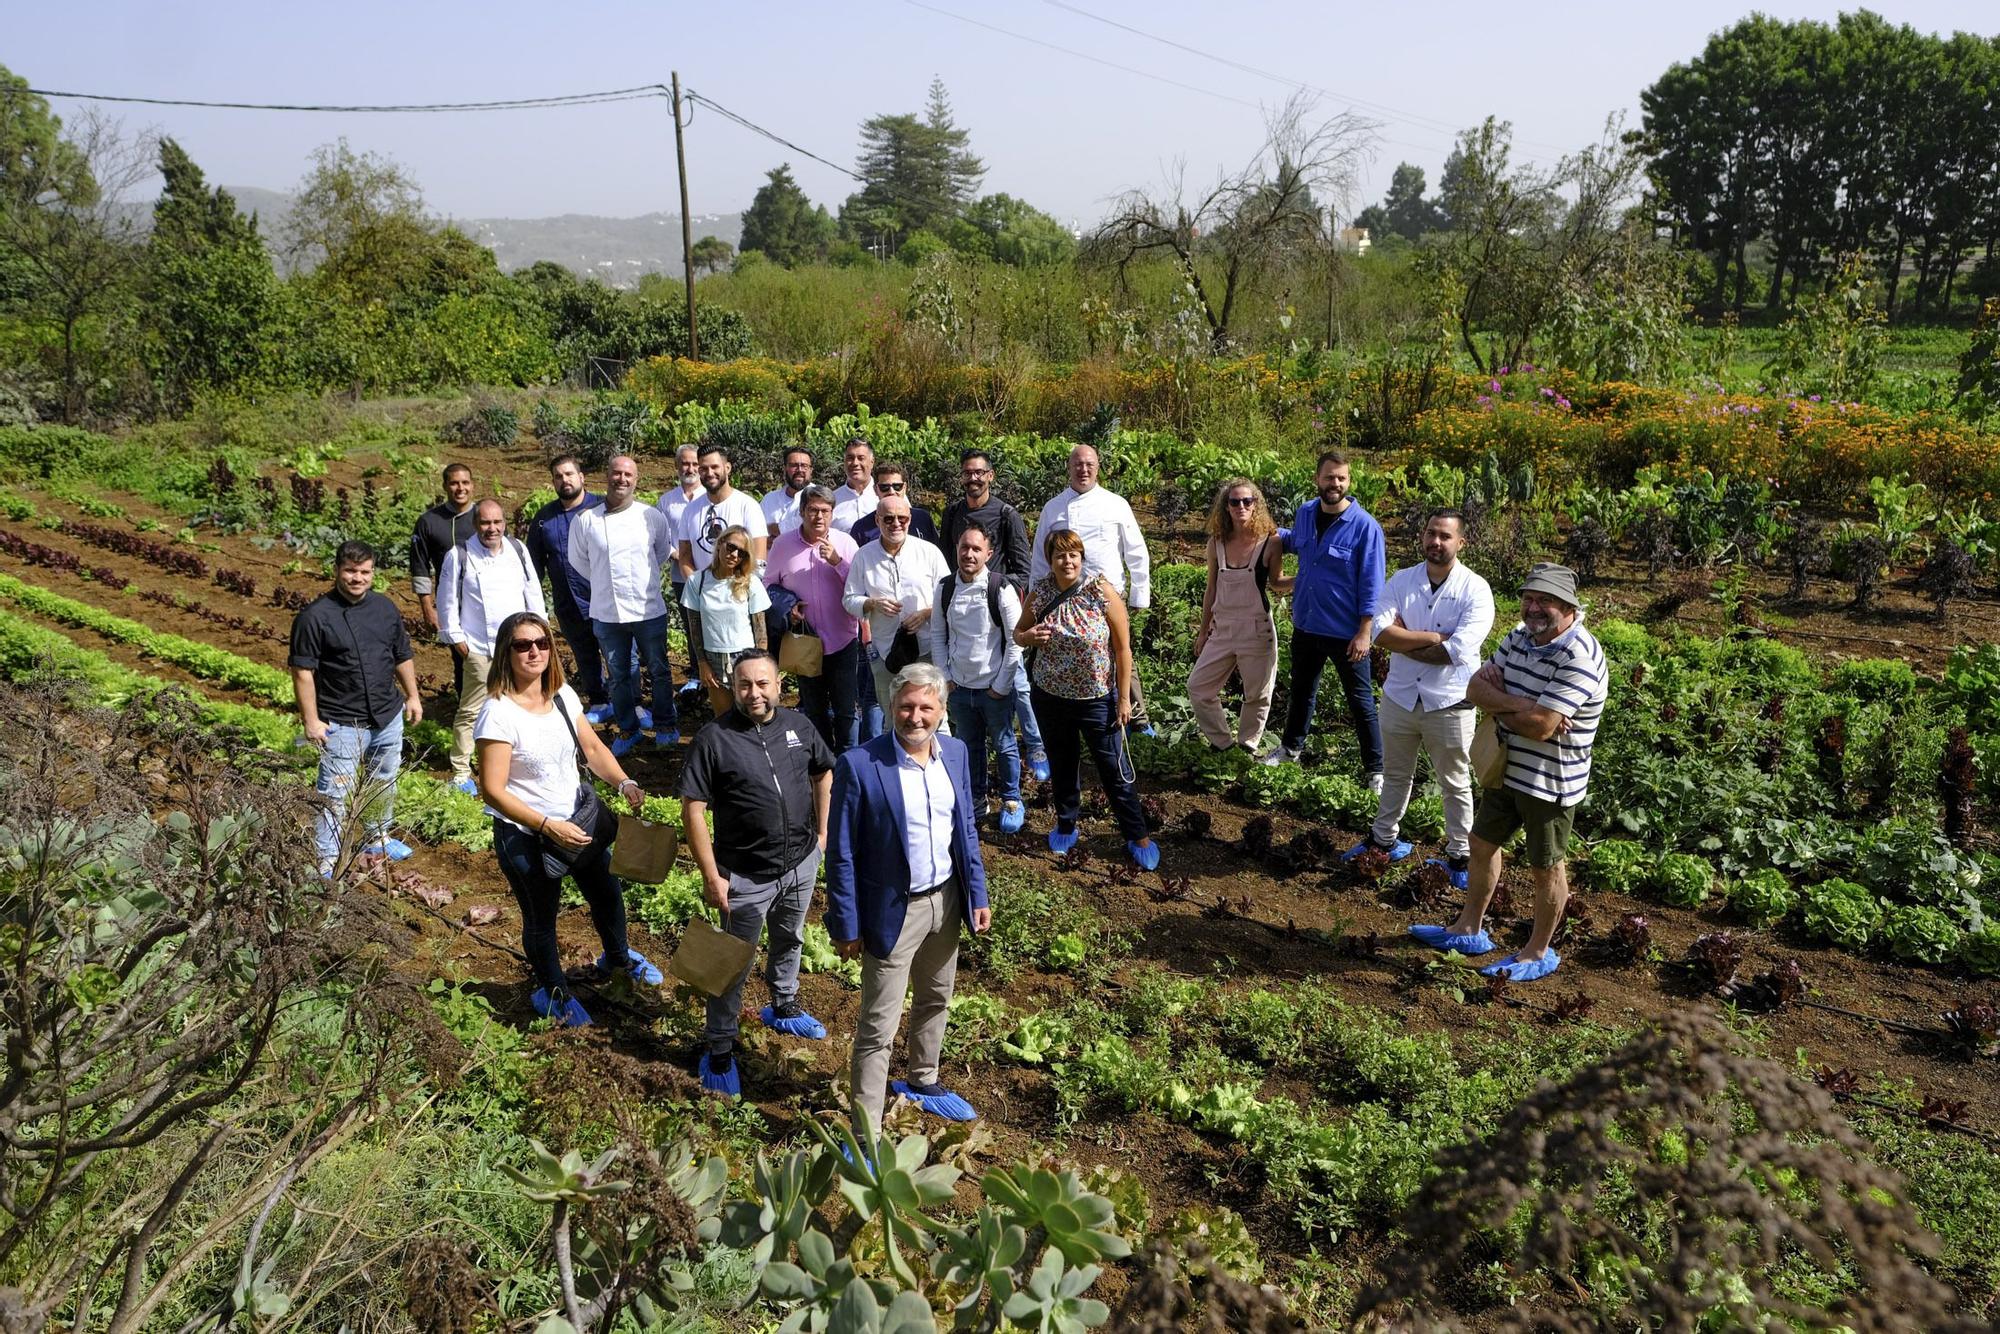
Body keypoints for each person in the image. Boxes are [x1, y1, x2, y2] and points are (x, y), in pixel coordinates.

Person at [1409, 564, 1606, 983]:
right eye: (1529, 599)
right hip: (1506, 764)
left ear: (1568, 607)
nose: (1533, 608)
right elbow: (1475, 689)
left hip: (1549, 781)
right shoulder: (1520, 637)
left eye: (1544, 601)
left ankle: (1537, 951)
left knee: (1545, 867)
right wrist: (1524, 703)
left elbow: (1542, 727)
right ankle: (1469, 928)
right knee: (1481, 843)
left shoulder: (1580, 656)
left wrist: (1510, 704)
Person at [827, 663, 992, 1127]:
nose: (914, 716)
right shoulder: (860, 765)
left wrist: (976, 894)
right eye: (905, 706)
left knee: (936, 997)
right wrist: (846, 923)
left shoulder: (955, 754)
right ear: (892, 707)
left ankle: (922, 1077)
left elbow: (966, 831)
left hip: (947, 900)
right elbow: (841, 853)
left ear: (941, 710)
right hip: (892, 911)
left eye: (926, 707)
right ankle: (866, 1130)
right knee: (878, 1026)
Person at [475, 610, 657, 1028]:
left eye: (541, 643)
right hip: (528, 836)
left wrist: (624, 782)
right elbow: (493, 789)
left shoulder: (561, 695)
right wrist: (545, 824)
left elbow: (592, 749)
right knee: (542, 918)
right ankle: (554, 992)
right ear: (507, 652)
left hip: (579, 822)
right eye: (523, 645)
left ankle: (618, 960)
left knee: (607, 894)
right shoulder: (499, 713)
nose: (534, 651)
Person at [680, 651, 836, 1096]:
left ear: (778, 685)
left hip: (800, 862)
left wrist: (822, 834)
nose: (755, 694)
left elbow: (823, 772)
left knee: (790, 937)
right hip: (745, 876)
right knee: (731, 964)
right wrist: (712, 876)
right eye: (745, 685)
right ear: (733, 687)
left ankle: (783, 1005)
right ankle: (720, 1047)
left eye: (763, 684)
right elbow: (693, 808)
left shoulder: (798, 726)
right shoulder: (714, 739)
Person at [1353, 510, 1495, 886]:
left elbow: (1458, 650)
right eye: (1431, 534)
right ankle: (1384, 840)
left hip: (1449, 701)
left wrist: (1407, 640)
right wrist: (1433, 638)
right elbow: (1380, 633)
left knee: (1454, 782)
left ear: (1461, 542)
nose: (1436, 542)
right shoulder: (1402, 580)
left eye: (1445, 536)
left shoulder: (1475, 590)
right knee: (1395, 775)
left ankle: (1460, 856)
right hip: (1400, 696)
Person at [1016, 528, 1160, 870]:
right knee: (1063, 766)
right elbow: (1018, 634)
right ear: (1050, 560)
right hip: (1050, 698)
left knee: (1115, 770)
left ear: (1081, 558)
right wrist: (1029, 637)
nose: (1067, 561)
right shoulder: (1041, 593)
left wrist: (1124, 699)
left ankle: (1136, 834)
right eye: (1060, 555)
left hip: (1098, 700)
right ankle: (1066, 823)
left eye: (1073, 555)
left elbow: (1123, 649)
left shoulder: (1101, 590)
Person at [288, 540, 423, 878]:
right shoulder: (314, 617)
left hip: (387, 714)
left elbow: (401, 655)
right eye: (350, 570)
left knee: (383, 779)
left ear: (373, 573)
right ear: (336, 570)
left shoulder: (385, 608)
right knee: (334, 794)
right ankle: (325, 862)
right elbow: (303, 671)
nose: (357, 578)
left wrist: (413, 696)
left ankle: (377, 837)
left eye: (364, 572)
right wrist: (312, 721)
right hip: (342, 722)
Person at [1265, 450, 1386, 790]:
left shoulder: (1365, 527)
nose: (1335, 483)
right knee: (1302, 692)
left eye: (1341, 478)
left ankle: (1376, 769)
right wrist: (1276, 537)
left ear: (1349, 482)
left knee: (1360, 701)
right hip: (1307, 623)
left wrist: (1365, 631)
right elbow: (1296, 541)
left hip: (1346, 631)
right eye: (1329, 477)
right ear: (1317, 478)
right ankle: (1290, 749)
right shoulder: (1305, 513)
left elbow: (1372, 582)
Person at [1030, 443, 1155, 735]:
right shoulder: (1054, 507)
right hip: (1062, 596)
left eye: (1089, 464)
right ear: (1068, 468)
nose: (1083, 469)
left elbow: (1136, 551)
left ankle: (1137, 716)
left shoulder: (1116, 504)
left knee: (1119, 650)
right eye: (1077, 464)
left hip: (1106, 594)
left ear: (1098, 468)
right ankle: (1068, 712)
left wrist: (1139, 594)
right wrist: (1037, 600)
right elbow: (1039, 555)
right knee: (1064, 651)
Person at [942, 447, 1047, 782]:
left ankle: (1036, 747)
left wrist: (996, 589)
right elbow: (948, 562)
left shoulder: (1006, 514)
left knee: (1018, 686)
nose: (973, 478)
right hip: (965, 612)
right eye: (967, 472)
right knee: (987, 708)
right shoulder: (952, 513)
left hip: (999, 613)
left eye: (979, 472)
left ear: (990, 476)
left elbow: (1024, 570)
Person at [566, 453, 680, 756]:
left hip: (647, 609)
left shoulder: (651, 517)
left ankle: (666, 724)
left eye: (628, 475)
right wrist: (603, 580)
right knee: (618, 674)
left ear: (636, 479)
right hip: (606, 611)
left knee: (658, 669)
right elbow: (579, 562)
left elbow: (660, 553)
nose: (622, 479)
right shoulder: (586, 520)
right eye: (617, 473)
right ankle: (628, 730)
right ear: (607, 476)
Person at [438, 500, 548, 793]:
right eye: (486, 523)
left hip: (519, 646)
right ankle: (461, 770)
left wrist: (540, 630)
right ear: (475, 525)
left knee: (518, 705)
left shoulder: (517, 550)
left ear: (504, 524)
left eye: (497, 522)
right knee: (471, 710)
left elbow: (532, 590)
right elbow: (447, 600)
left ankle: (513, 762)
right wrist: (459, 642)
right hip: (479, 646)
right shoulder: (459, 555)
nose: (492, 528)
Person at [931, 525, 1026, 833]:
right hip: (959, 688)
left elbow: (1016, 641)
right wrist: (945, 678)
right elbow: (937, 635)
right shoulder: (945, 588)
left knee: (1004, 744)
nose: (968, 554)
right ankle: (976, 798)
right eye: (963, 547)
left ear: (989, 553)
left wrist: (1000, 686)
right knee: (970, 746)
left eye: (975, 549)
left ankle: (1011, 800)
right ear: (956, 549)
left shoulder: (1000, 588)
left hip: (993, 689)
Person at [1187, 480, 1289, 754]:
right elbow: (1211, 589)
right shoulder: (1216, 543)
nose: (1241, 506)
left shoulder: (1270, 541)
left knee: (1257, 695)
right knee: (1198, 687)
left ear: (1256, 505)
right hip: (1222, 630)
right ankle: (1222, 744)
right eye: (1234, 502)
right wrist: (1203, 629)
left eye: (1247, 501)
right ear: (1226, 507)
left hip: (1257, 631)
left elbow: (1277, 583)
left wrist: (1310, 579)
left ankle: (1246, 748)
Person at [767, 485, 862, 749]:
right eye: (812, 510)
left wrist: (837, 562)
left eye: (824, 511)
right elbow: (768, 585)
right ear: (801, 512)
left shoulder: (845, 543)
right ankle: (822, 765)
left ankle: (847, 763)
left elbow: (861, 587)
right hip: (805, 641)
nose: (818, 516)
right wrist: (788, 609)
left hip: (843, 641)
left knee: (846, 711)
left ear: (832, 514)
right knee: (814, 709)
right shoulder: (783, 545)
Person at [844, 493, 951, 724]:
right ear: (877, 520)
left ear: (909, 519)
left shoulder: (929, 552)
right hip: (885, 653)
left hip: (927, 649)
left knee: (934, 718)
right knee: (894, 718)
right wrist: (871, 603)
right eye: (888, 519)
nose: (896, 524)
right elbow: (848, 600)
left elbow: (949, 597)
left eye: (901, 518)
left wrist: (925, 614)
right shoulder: (864, 555)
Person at [525, 455, 610, 722]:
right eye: (558, 476)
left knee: (618, 654)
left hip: (606, 600)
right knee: (585, 655)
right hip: (568, 603)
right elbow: (533, 567)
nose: (565, 480)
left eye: (569, 474)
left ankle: (631, 703)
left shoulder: (601, 507)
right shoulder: (544, 519)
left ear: (581, 477)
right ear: (553, 482)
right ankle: (598, 701)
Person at [681, 524, 771, 717]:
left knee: (753, 716)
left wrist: (761, 666)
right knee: (723, 719)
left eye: (742, 553)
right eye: (731, 547)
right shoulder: (697, 582)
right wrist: (702, 664)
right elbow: (694, 628)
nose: (734, 555)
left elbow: (760, 630)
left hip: (746, 657)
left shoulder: (751, 582)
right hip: (713, 658)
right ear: (720, 544)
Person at [655, 444, 707, 699]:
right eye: (685, 464)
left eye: (695, 464)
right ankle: (697, 675)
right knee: (691, 625)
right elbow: (659, 537)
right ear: (677, 467)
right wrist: (676, 554)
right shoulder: (666, 501)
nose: (691, 468)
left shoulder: (710, 495)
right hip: (681, 576)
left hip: (711, 574)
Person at [677, 443, 768, 586]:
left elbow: (759, 558)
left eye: (714, 467)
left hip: (739, 594)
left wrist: (737, 590)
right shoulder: (690, 510)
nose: (709, 472)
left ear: (727, 468)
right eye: (703, 468)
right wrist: (697, 586)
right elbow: (684, 556)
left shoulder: (748, 506)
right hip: (702, 595)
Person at [410, 462, 477, 637]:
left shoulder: (486, 518)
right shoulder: (429, 521)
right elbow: (419, 566)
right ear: (445, 487)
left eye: (465, 483)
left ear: (472, 485)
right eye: (454, 483)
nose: (460, 488)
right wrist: (427, 608)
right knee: (460, 655)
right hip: (449, 601)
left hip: (484, 599)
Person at [849, 461, 941, 548]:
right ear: (875, 490)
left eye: (897, 486)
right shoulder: (861, 527)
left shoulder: (922, 519)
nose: (891, 491)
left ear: (904, 488)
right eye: (884, 487)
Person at [762, 445, 815, 541]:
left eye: (804, 466)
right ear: (785, 468)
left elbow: (806, 530)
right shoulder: (769, 499)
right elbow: (755, 531)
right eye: (794, 465)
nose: (799, 470)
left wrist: (772, 530)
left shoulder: (819, 497)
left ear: (811, 470)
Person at [830, 437, 877, 535]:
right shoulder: (832, 499)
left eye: (861, 458)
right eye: (850, 458)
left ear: (872, 462)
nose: (855, 463)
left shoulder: (889, 493)